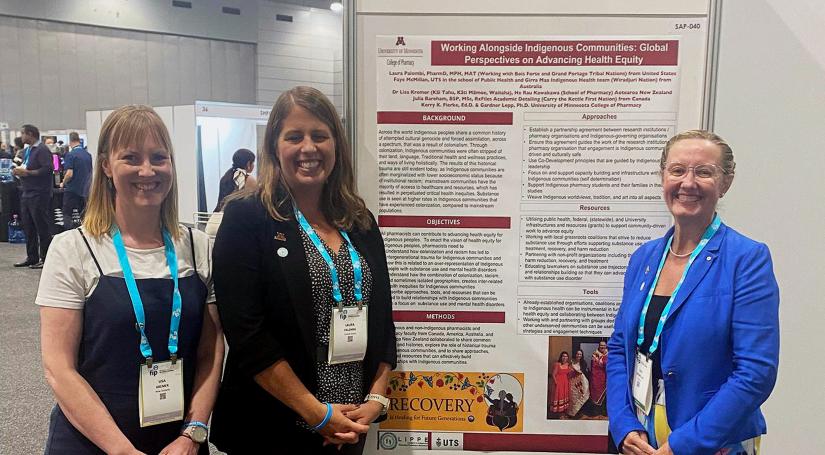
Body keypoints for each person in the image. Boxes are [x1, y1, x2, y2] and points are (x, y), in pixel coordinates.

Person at [210, 86, 397, 454]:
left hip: (350, 426)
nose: (308, 148)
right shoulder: (247, 218)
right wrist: (317, 414)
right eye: (294, 136)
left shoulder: (359, 221)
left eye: (319, 136)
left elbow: (382, 316)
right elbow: (247, 334)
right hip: (272, 428)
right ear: (274, 146)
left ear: (336, 145)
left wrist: (376, 399)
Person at [36, 105, 224, 454]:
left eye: (159, 157)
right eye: (131, 158)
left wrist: (193, 433)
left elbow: (210, 353)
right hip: (92, 441)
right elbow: (59, 369)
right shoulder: (73, 249)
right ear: (106, 165)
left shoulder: (198, 247)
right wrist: (123, 451)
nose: (147, 170)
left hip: (178, 442)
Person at [607, 130, 779, 455]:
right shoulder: (643, 258)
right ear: (663, 177)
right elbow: (619, 348)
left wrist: (686, 444)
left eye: (703, 172)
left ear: (725, 183)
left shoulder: (746, 259)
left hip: (711, 442)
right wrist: (622, 423)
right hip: (640, 437)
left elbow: (755, 373)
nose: (688, 183)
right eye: (677, 170)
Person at [12, 124, 53, 268]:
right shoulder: (28, 150)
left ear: (30, 134)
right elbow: (26, 166)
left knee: (42, 227)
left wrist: (27, 173)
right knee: (28, 227)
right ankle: (32, 257)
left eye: (23, 133)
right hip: (27, 192)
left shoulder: (42, 150)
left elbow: (48, 169)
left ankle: (45, 258)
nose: (21, 136)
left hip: (39, 193)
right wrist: (18, 171)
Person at [60, 132, 93, 229]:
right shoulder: (88, 155)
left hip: (72, 190)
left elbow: (69, 174)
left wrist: (63, 183)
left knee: (67, 214)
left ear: (70, 141)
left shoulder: (71, 155)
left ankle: (68, 234)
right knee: (84, 214)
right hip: (85, 189)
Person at [567, 349, 590, 417]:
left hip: (582, 381)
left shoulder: (583, 362)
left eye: (580, 354)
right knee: (574, 396)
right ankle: (573, 413)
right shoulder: (571, 362)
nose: (579, 355)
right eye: (578, 354)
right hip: (573, 381)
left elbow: (585, 372)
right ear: (575, 354)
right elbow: (569, 371)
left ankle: (580, 412)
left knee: (583, 394)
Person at [590, 340, 608, 415]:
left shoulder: (608, 355)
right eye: (601, 345)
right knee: (596, 393)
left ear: (606, 346)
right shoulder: (595, 355)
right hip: (596, 378)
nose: (602, 347)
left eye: (604, 345)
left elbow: (609, 365)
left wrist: (602, 363)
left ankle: (604, 411)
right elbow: (594, 366)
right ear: (599, 346)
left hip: (606, 377)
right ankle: (596, 411)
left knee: (606, 395)